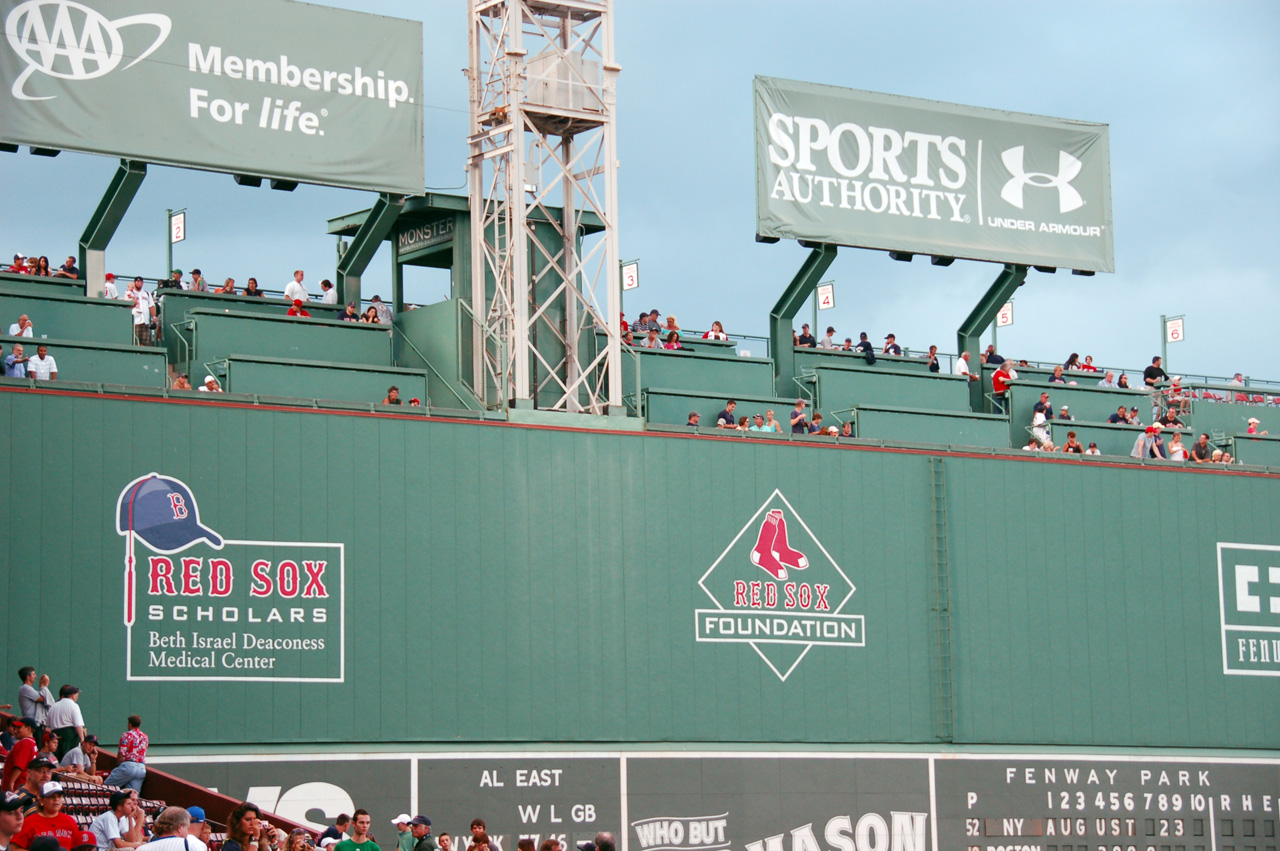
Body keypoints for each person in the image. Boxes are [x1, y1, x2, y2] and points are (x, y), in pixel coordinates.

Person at [12, 782, 78, 850]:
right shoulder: (30, 822)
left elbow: (78, 847)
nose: (56, 799)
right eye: (52, 796)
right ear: (41, 801)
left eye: (59, 796)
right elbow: (13, 848)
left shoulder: (70, 821)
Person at [103, 716, 146, 793]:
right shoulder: (145, 737)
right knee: (133, 795)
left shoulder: (126, 735)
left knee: (106, 787)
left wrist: (118, 764)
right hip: (141, 768)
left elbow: (121, 752)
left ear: (130, 724)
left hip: (128, 766)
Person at [136, 807, 208, 851]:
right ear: (180, 828)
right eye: (187, 828)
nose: (187, 833)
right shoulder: (192, 844)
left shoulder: (141, 849)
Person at [44, 688, 83, 761]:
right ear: (73, 695)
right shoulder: (74, 705)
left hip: (55, 735)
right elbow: (78, 724)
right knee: (68, 757)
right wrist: (82, 739)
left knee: (58, 757)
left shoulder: (54, 706)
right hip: (69, 735)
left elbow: (47, 723)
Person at [1, 719, 38, 794]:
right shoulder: (32, 742)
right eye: (15, 728)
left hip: (17, 786)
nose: (16, 730)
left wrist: (11, 782)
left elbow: (19, 766)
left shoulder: (25, 743)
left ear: (28, 729)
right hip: (23, 784)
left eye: (19, 727)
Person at [17, 671, 53, 746]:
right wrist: (44, 686)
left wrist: (42, 687)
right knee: (35, 744)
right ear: (28, 677)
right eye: (33, 674)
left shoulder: (29, 688)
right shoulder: (25, 688)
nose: (35, 676)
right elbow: (42, 698)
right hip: (31, 721)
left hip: (35, 722)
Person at [124, 278, 156, 346]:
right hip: (135, 320)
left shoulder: (146, 293)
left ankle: (142, 355)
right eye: (138, 282)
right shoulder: (130, 292)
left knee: (144, 342)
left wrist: (154, 317)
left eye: (141, 282)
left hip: (145, 320)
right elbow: (126, 304)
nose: (139, 283)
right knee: (135, 341)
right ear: (135, 282)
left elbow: (152, 306)